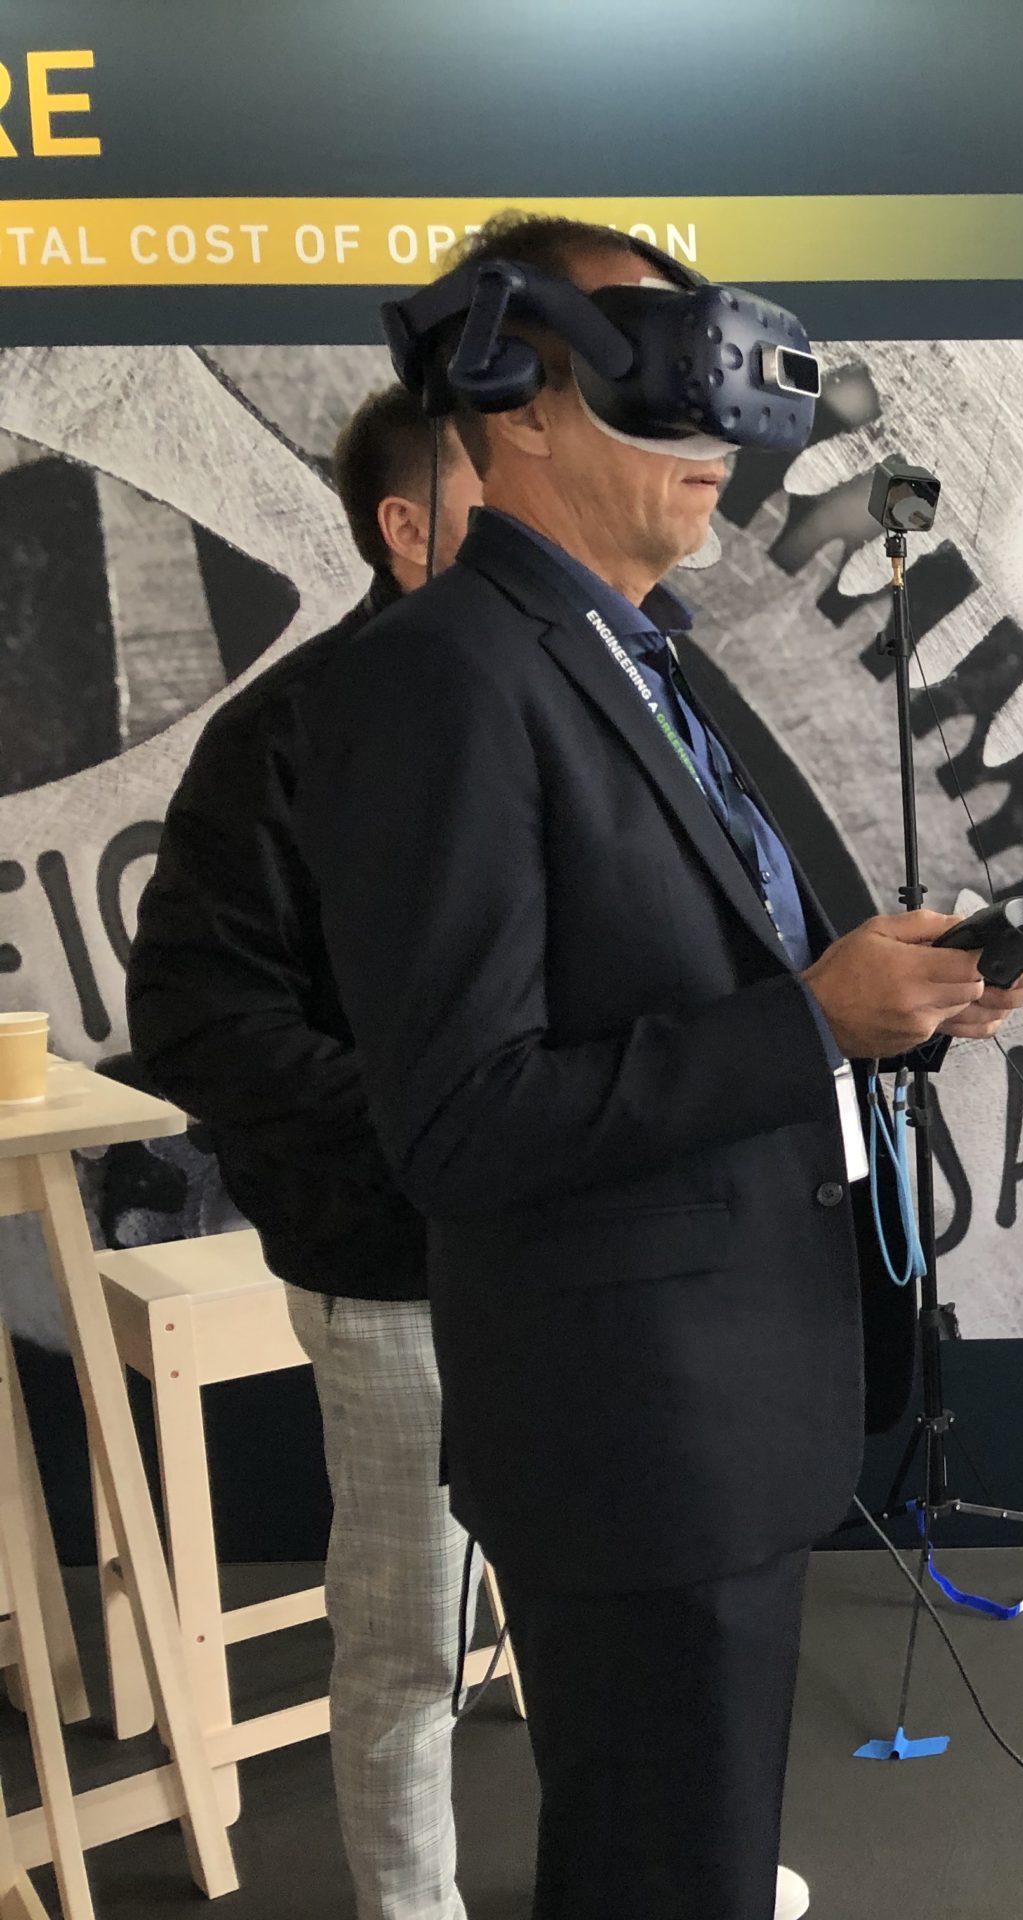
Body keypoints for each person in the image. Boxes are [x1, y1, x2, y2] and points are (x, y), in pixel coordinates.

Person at [292, 214, 1023, 1920]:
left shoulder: (639, 662)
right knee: (657, 1880)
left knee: (673, 1869)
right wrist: (806, 1024)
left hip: (723, 1410)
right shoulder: (443, 682)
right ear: (517, 393)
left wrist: (881, 1000)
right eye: (657, 390)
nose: (711, 449)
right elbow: (464, 1121)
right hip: (631, 1432)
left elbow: (666, 992)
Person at [126, 386, 488, 1920]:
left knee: (616, 1605)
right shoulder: (285, 740)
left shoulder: (578, 704)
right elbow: (203, 1026)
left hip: (580, 1260)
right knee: (408, 1647)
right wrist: (445, 1121)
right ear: (406, 532)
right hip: (391, 1266)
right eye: (508, 503)